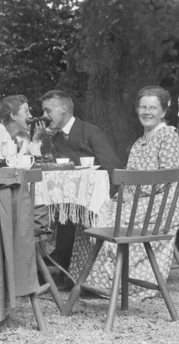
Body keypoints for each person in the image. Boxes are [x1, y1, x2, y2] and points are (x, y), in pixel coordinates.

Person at [69, 85, 179, 299]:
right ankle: (94, 280)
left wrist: (136, 192)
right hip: (137, 200)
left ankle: (117, 283)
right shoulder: (139, 142)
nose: (147, 112)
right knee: (90, 212)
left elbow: (170, 178)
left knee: (105, 218)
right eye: (143, 107)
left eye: (153, 108)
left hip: (161, 203)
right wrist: (126, 193)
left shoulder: (167, 136)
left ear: (163, 111)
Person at [38, 90, 123, 276]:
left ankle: (66, 266)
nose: (44, 116)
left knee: (68, 208)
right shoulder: (56, 138)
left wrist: (103, 199)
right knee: (56, 204)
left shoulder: (90, 131)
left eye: (47, 110)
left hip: (102, 197)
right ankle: (59, 262)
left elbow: (113, 169)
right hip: (74, 198)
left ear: (63, 109)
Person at [0, 95, 45, 166]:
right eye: (26, 111)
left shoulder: (25, 137)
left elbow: (35, 166)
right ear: (13, 115)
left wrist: (36, 140)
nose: (30, 116)